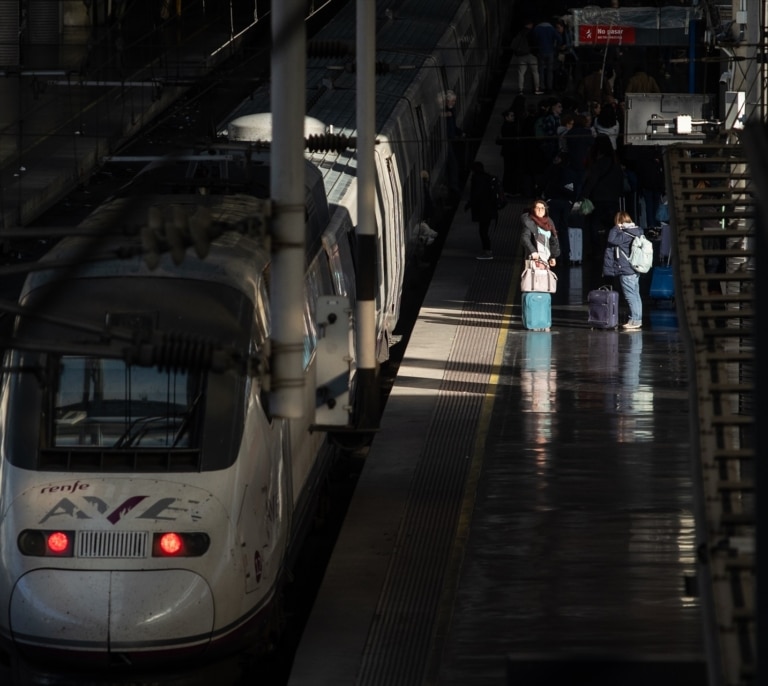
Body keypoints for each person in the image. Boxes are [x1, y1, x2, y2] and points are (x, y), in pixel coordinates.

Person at [602, 210, 644, 330]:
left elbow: (611, 239)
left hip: (626, 269)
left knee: (630, 296)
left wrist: (616, 228)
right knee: (635, 295)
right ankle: (637, 319)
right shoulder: (636, 231)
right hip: (634, 269)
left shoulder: (624, 234)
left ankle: (635, 320)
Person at [465, 161, 498, 260]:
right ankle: (486, 250)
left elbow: (477, 194)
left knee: (483, 231)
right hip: (489, 209)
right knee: (484, 230)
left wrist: (469, 204)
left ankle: (487, 252)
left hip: (483, 210)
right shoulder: (487, 177)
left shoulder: (477, 179)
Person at [521, 199, 560, 268]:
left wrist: (553, 256)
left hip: (546, 258)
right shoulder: (529, 222)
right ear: (533, 209)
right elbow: (525, 238)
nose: (540, 210)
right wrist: (533, 251)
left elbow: (554, 240)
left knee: (544, 278)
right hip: (534, 258)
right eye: (537, 208)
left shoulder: (549, 222)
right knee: (532, 278)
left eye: (542, 208)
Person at [510, 21, 543, 95]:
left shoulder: (520, 33)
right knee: (535, 73)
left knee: (521, 73)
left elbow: (513, 44)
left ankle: (520, 89)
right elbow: (536, 42)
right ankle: (537, 89)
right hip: (531, 55)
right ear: (530, 25)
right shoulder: (533, 33)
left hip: (521, 55)